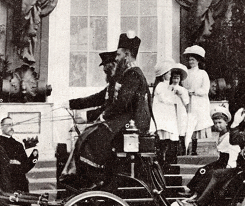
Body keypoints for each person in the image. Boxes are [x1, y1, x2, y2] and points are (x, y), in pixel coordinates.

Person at [63, 32, 151, 188]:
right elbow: (106, 100)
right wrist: (72, 104)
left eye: (118, 55)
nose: (116, 58)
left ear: (127, 55)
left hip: (131, 122)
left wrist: (103, 115)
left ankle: (96, 177)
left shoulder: (133, 75)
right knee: (89, 134)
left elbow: (122, 103)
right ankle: (92, 177)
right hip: (123, 119)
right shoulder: (127, 75)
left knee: (92, 137)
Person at [178, 91, 245, 206]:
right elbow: (234, 141)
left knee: (218, 176)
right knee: (213, 173)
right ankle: (199, 205)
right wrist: (235, 123)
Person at [179, 105, 240, 200]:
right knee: (202, 170)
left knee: (208, 172)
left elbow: (233, 153)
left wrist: (229, 167)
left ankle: (197, 194)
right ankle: (192, 191)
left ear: (226, 123)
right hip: (221, 160)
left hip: (227, 162)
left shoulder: (229, 136)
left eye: (220, 122)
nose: (217, 125)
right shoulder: (220, 135)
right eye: (215, 123)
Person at [0, 117, 39, 206]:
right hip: (7, 181)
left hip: (20, 181)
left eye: (12, 124)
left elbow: (25, 166)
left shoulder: (18, 144)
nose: (11, 127)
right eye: (8, 124)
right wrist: (10, 163)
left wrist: (34, 155)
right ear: (2, 126)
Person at [182, 45, 214, 155]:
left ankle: (195, 149)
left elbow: (205, 89)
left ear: (198, 61)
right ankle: (185, 148)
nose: (191, 62)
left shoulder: (202, 73)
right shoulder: (186, 73)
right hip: (188, 101)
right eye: (190, 60)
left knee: (196, 125)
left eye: (193, 60)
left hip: (198, 102)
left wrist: (194, 91)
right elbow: (183, 86)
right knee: (187, 123)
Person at [152, 59, 181, 168]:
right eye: (168, 73)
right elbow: (166, 99)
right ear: (163, 75)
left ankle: (169, 162)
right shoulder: (161, 86)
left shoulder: (166, 86)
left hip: (168, 117)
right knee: (164, 140)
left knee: (169, 139)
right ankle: (163, 162)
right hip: (163, 118)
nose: (170, 75)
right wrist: (174, 95)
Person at [170, 63, 190, 155]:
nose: (175, 79)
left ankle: (182, 150)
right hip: (171, 109)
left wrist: (180, 94)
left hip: (180, 110)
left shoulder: (183, 90)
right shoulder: (168, 88)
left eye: (177, 78)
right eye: (174, 77)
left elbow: (186, 102)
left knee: (181, 129)